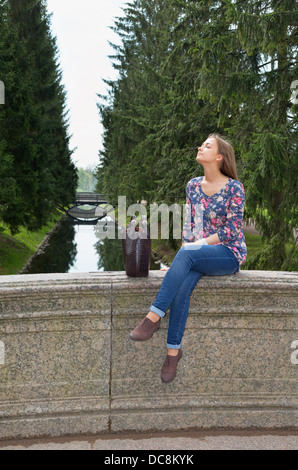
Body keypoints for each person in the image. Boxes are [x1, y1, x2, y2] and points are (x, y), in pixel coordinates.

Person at [130, 134, 247, 383]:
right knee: (181, 288)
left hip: (228, 253)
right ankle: (173, 352)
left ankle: (153, 317)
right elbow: (189, 224)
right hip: (197, 254)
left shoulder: (234, 188)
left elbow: (232, 230)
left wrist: (196, 246)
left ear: (219, 157)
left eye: (207, 145)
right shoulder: (193, 185)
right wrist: (179, 264)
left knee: (188, 253)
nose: (200, 147)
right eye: (201, 144)